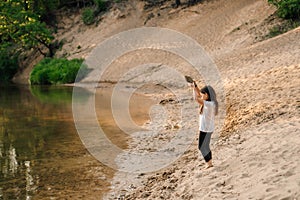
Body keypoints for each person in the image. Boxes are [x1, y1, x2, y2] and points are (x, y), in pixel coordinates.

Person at [192, 82, 218, 169]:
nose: (201, 95)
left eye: (203, 94)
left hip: (206, 129)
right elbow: (199, 94)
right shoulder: (210, 102)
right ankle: (209, 162)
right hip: (207, 128)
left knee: (201, 147)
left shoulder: (209, 105)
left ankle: (208, 163)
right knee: (205, 146)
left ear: (207, 94)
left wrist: (192, 89)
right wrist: (195, 87)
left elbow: (196, 98)